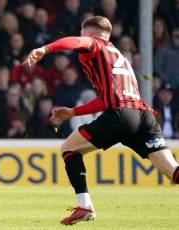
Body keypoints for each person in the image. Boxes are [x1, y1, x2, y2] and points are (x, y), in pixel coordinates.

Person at [23, 16, 179, 225]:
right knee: (173, 171)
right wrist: (73, 112)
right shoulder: (119, 56)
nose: (81, 38)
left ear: (91, 33)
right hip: (144, 116)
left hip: (121, 115)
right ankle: (85, 207)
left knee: (69, 148)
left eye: (82, 33)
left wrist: (45, 49)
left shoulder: (95, 44)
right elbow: (106, 99)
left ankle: (85, 206)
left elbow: (79, 43)